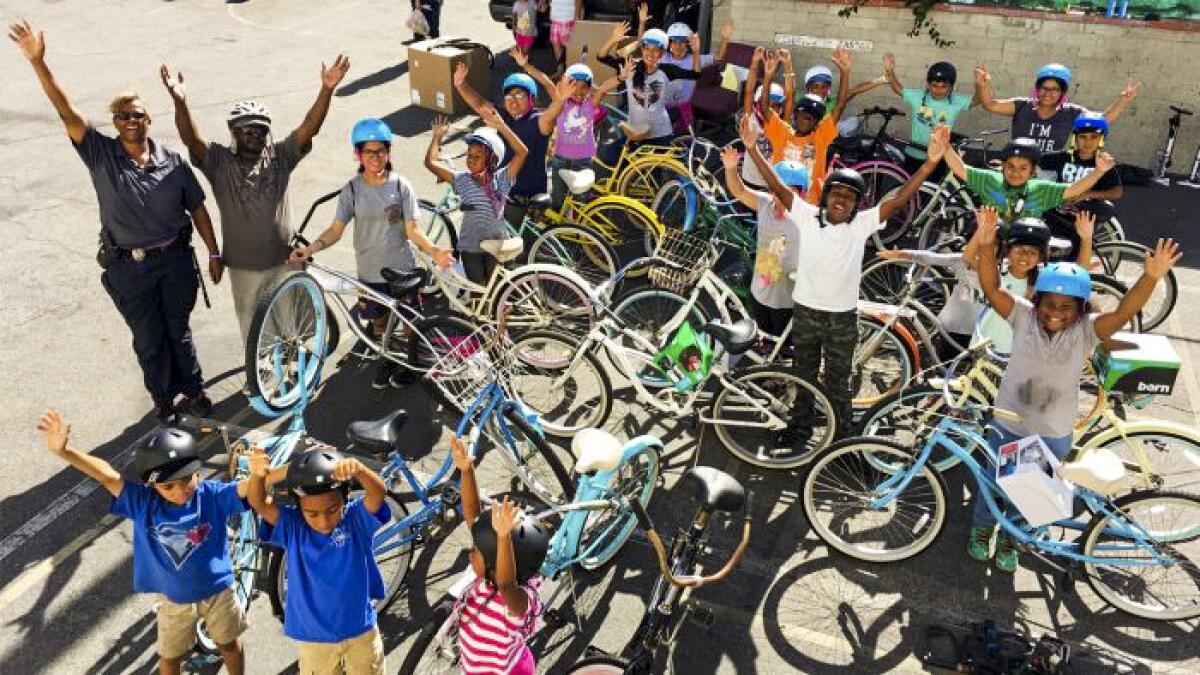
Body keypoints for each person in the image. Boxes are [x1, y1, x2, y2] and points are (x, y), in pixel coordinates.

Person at [10, 19, 221, 420]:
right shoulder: (100, 154)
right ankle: (163, 398)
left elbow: (198, 208)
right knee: (148, 338)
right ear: (115, 122)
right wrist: (39, 63)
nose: (130, 120)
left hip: (175, 260)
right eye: (123, 116)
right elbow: (65, 110)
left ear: (147, 120)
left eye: (137, 114)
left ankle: (193, 391)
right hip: (130, 266)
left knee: (178, 329)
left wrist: (214, 253)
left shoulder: (172, 162)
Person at [967, 207, 1180, 572]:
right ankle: (983, 529)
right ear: (1037, 300)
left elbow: (1124, 311)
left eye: (1067, 306)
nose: (1056, 311)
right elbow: (991, 285)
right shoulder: (1021, 315)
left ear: (1081, 308)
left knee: (1033, 493)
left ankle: (1013, 536)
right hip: (1008, 421)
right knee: (993, 482)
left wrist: (1150, 277)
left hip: (1053, 432)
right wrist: (987, 242)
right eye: (1049, 303)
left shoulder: (1087, 330)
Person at [740, 118, 946, 443]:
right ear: (825, 196)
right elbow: (777, 187)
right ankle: (799, 428)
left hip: (842, 318)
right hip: (805, 311)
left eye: (850, 197)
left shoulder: (861, 224)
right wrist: (752, 147)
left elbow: (897, 200)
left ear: (856, 204)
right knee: (803, 374)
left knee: (838, 382)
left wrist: (930, 164)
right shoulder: (806, 216)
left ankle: (842, 441)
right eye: (836, 193)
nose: (841, 200)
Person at [159, 55, 349, 353]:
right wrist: (180, 102)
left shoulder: (281, 156)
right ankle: (262, 376)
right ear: (234, 133)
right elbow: (191, 139)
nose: (255, 134)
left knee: (293, 328)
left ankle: (293, 367)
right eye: (247, 129)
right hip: (244, 267)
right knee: (254, 330)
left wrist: (326, 90)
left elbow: (309, 127)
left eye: (261, 129)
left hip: (285, 260)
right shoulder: (219, 161)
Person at [38, 411, 249, 675]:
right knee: (170, 658)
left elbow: (246, 488)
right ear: (152, 486)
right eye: (168, 487)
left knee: (229, 645)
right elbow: (106, 475)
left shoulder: (212, 496)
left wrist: (292, 472)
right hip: (174, 601)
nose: (180, 491)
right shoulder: (142, 503)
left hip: (219, 594)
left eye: (187, 480)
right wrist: (66, 452)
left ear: (197, 470)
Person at [288, 119, 453, 389]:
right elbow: (335, 230)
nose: (375, 157)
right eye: (369, 152)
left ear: (388, 152)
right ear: (358, 154)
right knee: (379, 323)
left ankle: (409, 364)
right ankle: (388, 360)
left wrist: (435, 252)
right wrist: (310, 249)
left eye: (380, 151)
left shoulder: (402, 187)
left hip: (402, 269)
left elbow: (413, 230)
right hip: (370, 272)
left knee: (409, 323)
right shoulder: (352, 190)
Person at [247, 447, 392, 674]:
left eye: (332, 510)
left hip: (361, 630)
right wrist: (258, 475)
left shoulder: (355, 520)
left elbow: (378, 493)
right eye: (312, 514)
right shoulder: (292, 528)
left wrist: (359, 470)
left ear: (345, 498)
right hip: (315, 639)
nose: (323, 521)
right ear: (298, 508)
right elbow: (258, 502)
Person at [877, 212, 1094, 358]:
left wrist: (1086, 239)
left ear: (1041, 256)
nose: (1025, 257)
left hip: (1016, 354)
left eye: (1033, 252)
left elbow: (1078, 274)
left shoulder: (1042, 280)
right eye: (1020, 250)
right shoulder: (996, 271)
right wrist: (984, 234)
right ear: (1007, 251)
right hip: (982, 348)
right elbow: (967, 259)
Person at [450, 438, 549, 675]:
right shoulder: (488, 578)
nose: (470, 554)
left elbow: (506, 582)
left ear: (497, 565)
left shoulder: (517, 600)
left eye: (476, 552)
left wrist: (503, 537)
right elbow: (473, 519)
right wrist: (467, 471)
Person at [974, 63, 1139, 173]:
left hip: (1049, 170)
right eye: (1044, 88)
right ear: (1037, 89)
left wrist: (1123, 100)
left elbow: (1102, 121)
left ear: (1062, 92)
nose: (1048, 93)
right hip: (1017, 166)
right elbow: (990, 104)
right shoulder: (1022, 106)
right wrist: (983, 84)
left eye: (1055, 89)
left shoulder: (1070, 113)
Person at [425, 109, 529, 284]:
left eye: (477, 156)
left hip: (496, 244)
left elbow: (522, 152)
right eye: (469, 155)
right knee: (477, 288)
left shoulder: (502, 179)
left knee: (495, 287)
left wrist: (502, 127)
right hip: (470, 247)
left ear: (492, 159)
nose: (471, 159)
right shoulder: (462, 180)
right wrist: (437, 137)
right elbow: (430, 163)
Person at [454, 51, 553, 227]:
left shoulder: (539, 120)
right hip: (506, 190)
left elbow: (557, 102)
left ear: (531, 99)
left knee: (526, 242)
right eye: (509, 96)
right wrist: (461, 85)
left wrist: (528, 68)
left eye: (519, 95)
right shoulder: (504, 117)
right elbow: (480, 104)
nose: (513, 101)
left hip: (530, 193)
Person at [719, 144, 809, 339]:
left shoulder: (805, 217)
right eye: (778, 189)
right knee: (764, 337)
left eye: (789, 190)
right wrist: (731, 168)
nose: (781, 196)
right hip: (761, 290)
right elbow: (740, 191)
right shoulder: (765, 204)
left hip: (788, 299)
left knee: (784, 345)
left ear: (801, 193)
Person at [941, 132, 1118, 221]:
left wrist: (1098, 171)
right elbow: (961, 169)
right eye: (1010, 166)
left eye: (1023, 168)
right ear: (1002, 167)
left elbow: (1073, 189)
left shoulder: (1041, 189)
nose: (1015, 172)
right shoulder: (990, 180)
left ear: (1033, 172)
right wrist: (945, 145)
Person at [759, 47, 853, 203]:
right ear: (795, 114)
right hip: (779, 201)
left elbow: (840, 105)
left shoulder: (821, 136)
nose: (808, 117)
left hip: (809, 205)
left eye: (814, 116)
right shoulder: (781, 132)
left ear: (818, 121)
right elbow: (764, 107)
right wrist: (768, 75)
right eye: (805, 112)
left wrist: (845, 72)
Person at [598, 24, 701, 148]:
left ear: (662, 53)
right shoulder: (630, 66)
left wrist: (696, 51)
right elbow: (601, 57)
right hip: (635, 132)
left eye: (655, 50)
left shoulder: (667, 70)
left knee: (657, 167)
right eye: (647, 49)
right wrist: (613, 40)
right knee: (614, 160)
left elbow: (695, 74)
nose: (650, 54)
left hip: (661, 134)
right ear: (642, 50)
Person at [1041, 112, 1123, 258]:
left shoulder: (1103, 163)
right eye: (1083, 137)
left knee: (1073, 254)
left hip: (1082, 216)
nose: (1088, 142)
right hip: (1058, 212)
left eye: (1094, 137)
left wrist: (1087, 194)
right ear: (1075, 138)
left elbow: (1117, 192)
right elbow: (1032, 160)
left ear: (1101, 139)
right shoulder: (1062, 158)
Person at [543, 63, 625, 208]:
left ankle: (577, 228)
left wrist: (621, 77)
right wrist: (526, 66)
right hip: (560, 160)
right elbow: (547, 83)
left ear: (589, 88)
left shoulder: (590, 105)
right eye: (575, 86)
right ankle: (558, 228)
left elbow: (603, 89)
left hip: (583, 162)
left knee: (579, 204)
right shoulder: (561, 103)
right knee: (557, 200)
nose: (579, 92)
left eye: (584, 87)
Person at [882, 55, 976, 172]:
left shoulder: (956, 101)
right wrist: (889, 70)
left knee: (933, 189)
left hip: (938, 157)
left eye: (943, 87)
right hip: (914, 154)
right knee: (910, 188)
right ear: (928, 84)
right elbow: (898, 89)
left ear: (951, 87)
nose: (938, 90)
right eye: (934, 85)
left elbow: (979, 100)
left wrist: (982, 84)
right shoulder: (919, 97)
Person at [661, 19, 733, 133]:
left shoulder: (695, 58)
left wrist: (724, 38)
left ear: (687, 44)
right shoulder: (662, 57)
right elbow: (642, 48)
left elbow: (719, 57)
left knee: (684, 142)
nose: (678, 46)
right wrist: (642, 23)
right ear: (669, 43)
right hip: (662, 107)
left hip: (684, 109)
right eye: (674, 42)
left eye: (682, 42)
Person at [740, 47, 787, 190]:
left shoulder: (781, 124)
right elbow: (748, 91)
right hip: (749, 181)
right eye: (768, 104)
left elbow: (790, 97)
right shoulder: (751, 118)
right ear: (757, 103)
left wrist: (786, 66)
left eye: (776, 105)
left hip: (771, 183)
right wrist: (755, 62)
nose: (772, 109)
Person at [549, 0, 583, 73]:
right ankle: (560, 71)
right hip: (555, 18)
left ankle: (571, 74)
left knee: (569, 48)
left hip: (569, 18)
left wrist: (577, 17)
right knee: (556, 46)